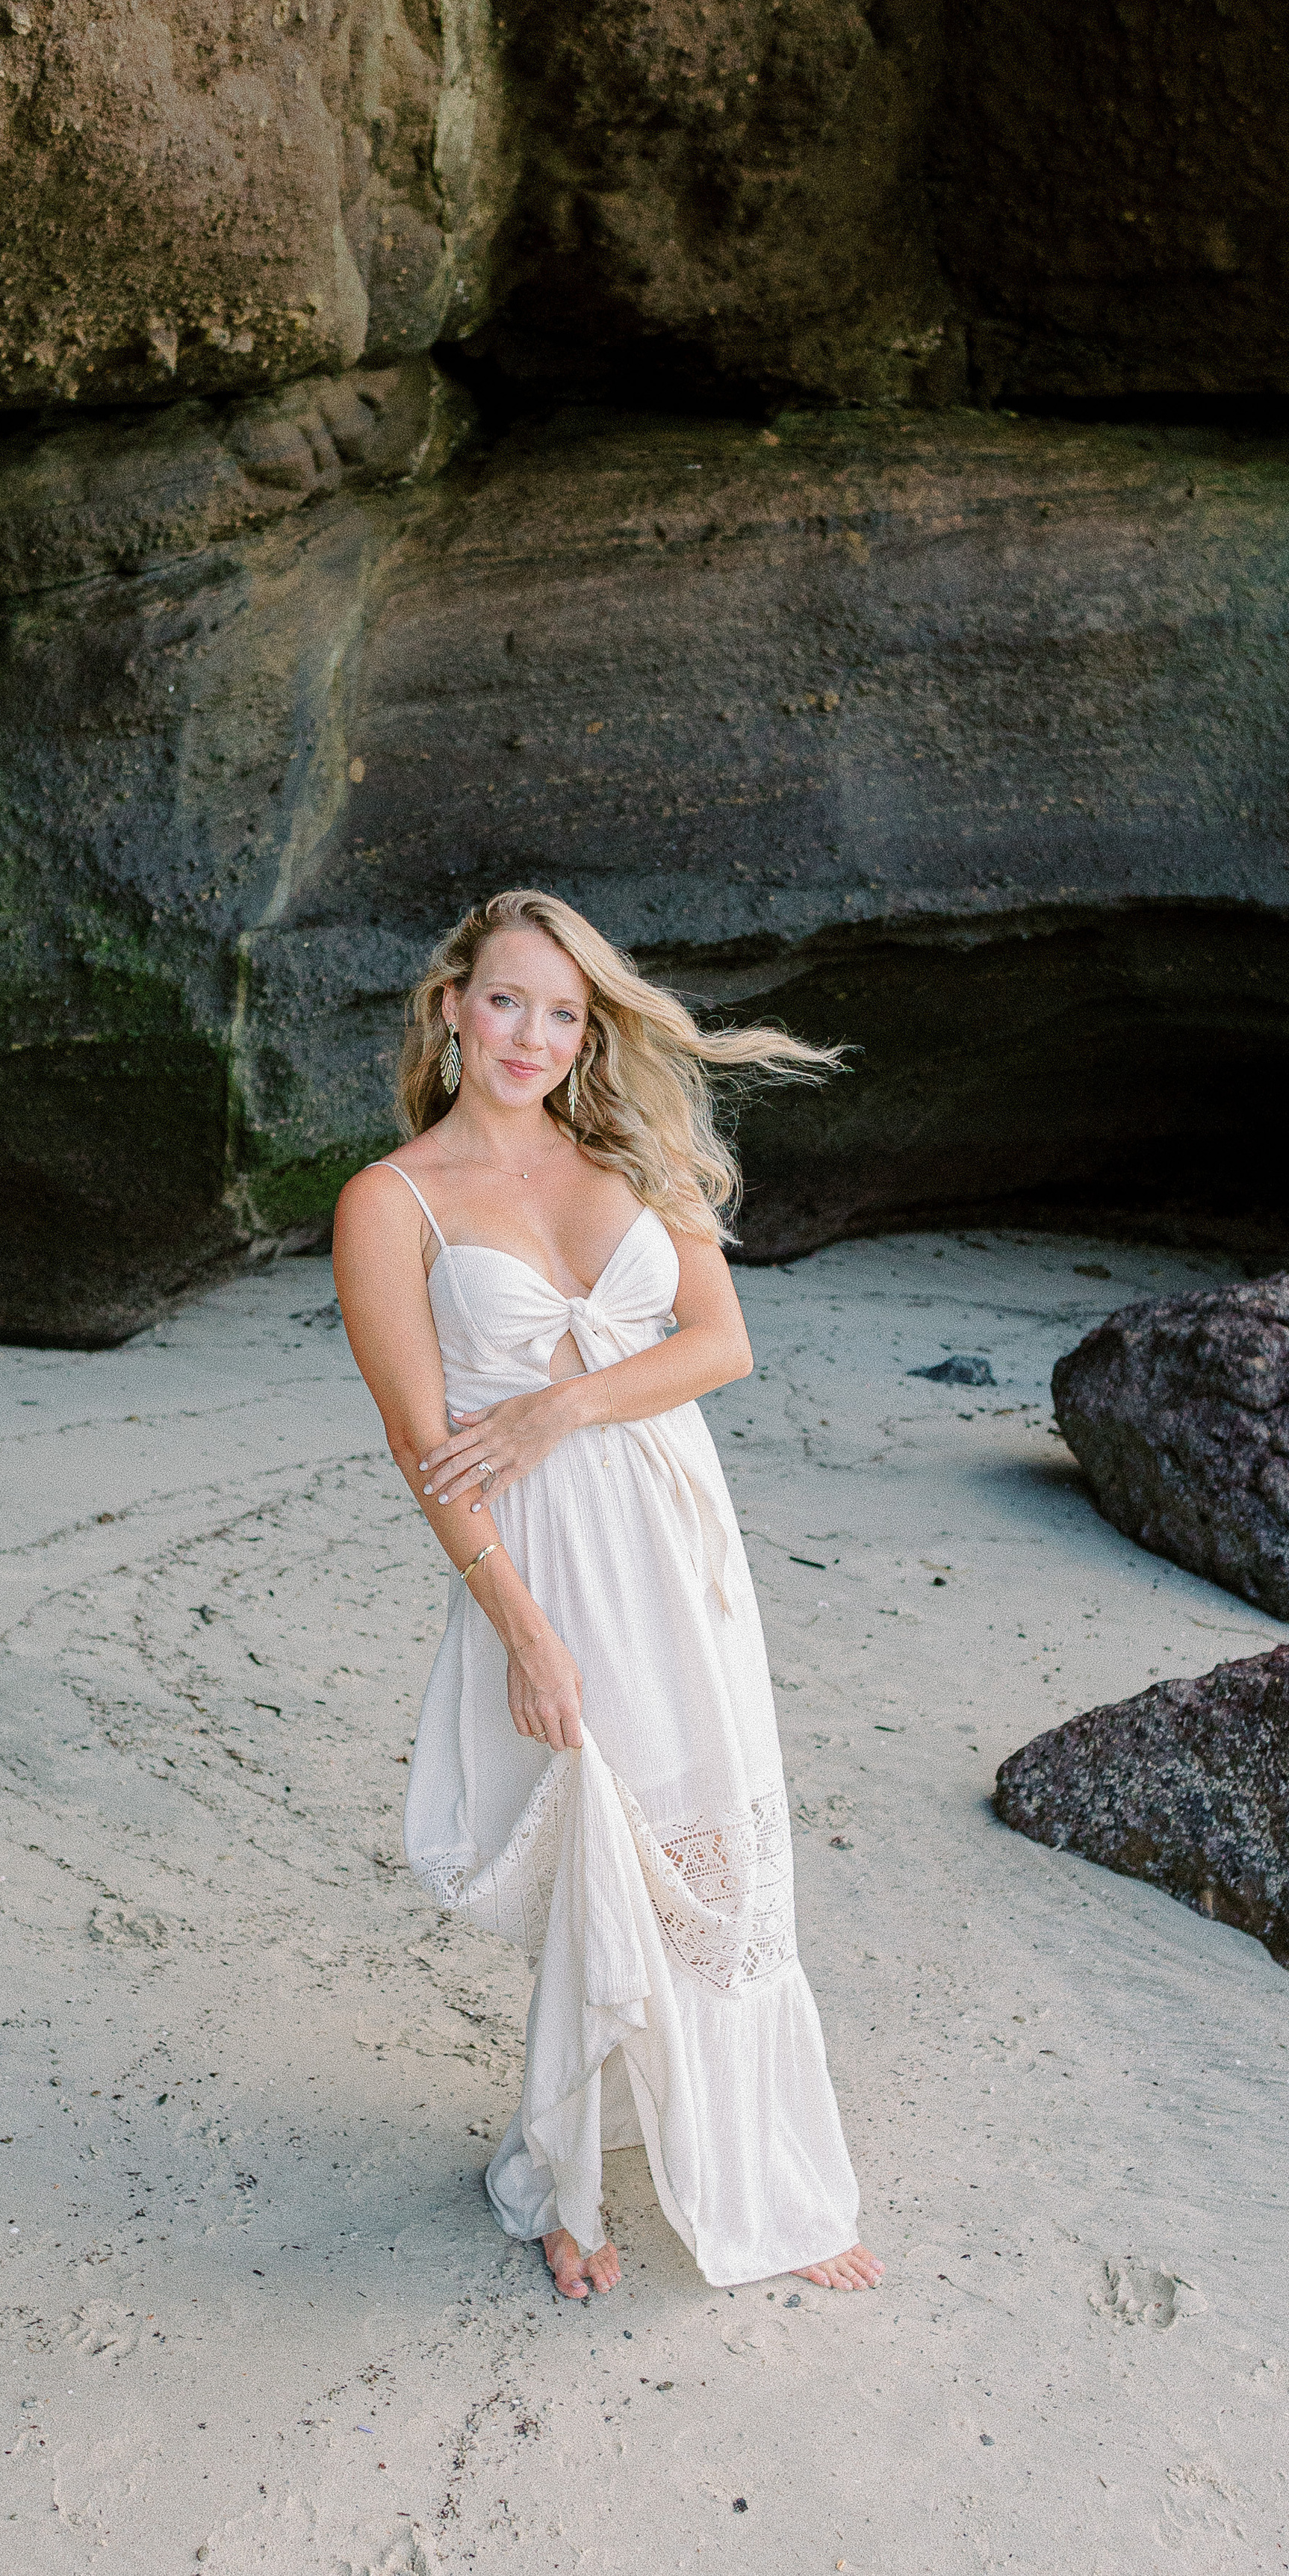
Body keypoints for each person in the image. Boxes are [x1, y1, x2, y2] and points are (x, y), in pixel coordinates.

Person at [332, 890, 883, 2303]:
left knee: (716, 1844)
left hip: (680, 1545)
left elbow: (720, 1345)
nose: (532, 1034)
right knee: (603, 1848)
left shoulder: (630, 1150)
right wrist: (519, 1623)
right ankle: (562, 2185)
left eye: (564, 1012)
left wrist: (559, 1404)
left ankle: (769, 2177)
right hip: (549, 1563)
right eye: (508, 1000)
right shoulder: (389, 1204)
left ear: (591, 1032)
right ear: (453, 1003)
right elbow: (420, 1443)